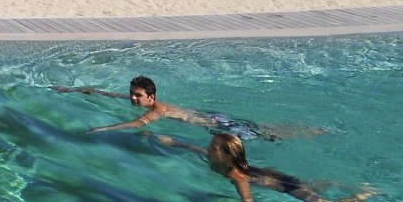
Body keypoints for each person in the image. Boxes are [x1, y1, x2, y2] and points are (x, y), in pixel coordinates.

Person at [156, 132, 373, 202]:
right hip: (275, 177)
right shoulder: (218, 161)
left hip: (285, 187)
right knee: (310, 187)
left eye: (213, 148)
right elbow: (195, 149)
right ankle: (335, 185)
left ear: (227, 157)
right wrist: (173, 142)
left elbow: (246, 193)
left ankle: (363, 194)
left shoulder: (235, 174)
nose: (208, 148)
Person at [53, 76, 289, 141]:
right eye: (132, 94)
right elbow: (103, 93)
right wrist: (72, 90)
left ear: (151, 97)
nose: (133, 99)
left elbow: (138, 123)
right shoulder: (138, 100)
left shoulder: (158, 109)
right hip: (213, 119)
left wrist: (103, 129)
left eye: (138, 96)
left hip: (220, 126)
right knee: (266, 132)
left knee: (269, 137)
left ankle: (307, 132)